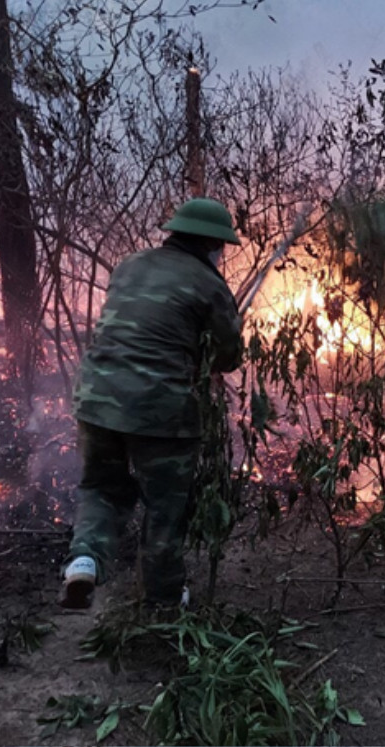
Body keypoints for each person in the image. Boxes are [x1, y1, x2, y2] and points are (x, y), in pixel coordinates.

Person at [59, 197, 244, 609]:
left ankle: (84, 562)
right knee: (165, 506)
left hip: (96, 399)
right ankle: (162, 601)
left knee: (101, 488)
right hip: (161, 410)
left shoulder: (129, 265)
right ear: (215, 244)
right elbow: (228, 358)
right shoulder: (210, 284)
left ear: (175, 233)